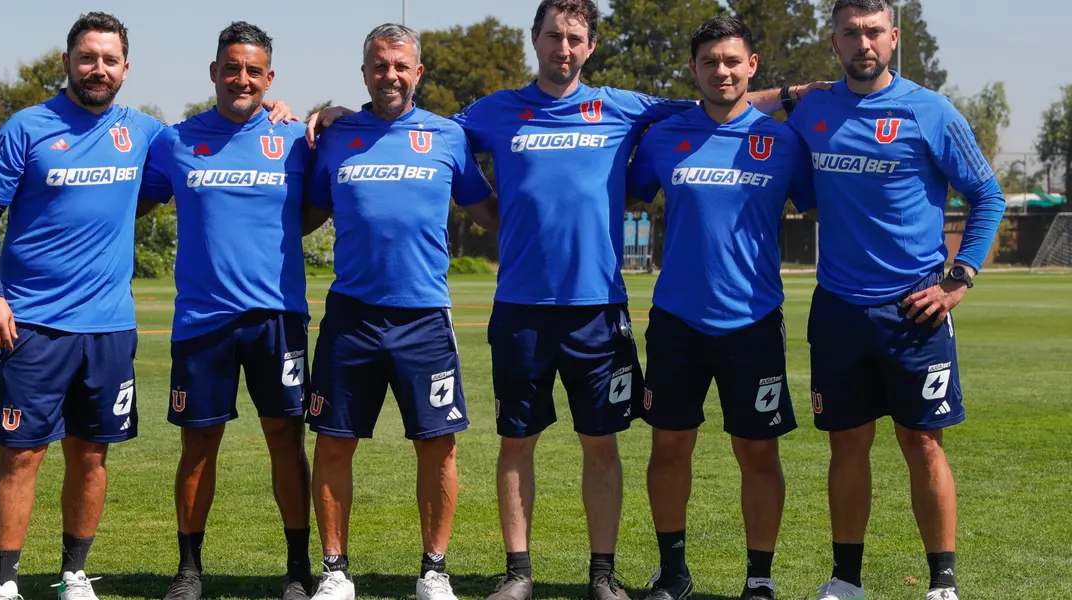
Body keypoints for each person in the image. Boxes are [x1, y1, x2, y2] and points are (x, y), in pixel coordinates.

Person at [306, 4, 823, 598]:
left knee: (600, 444)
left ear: (590, 46)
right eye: (553, 35)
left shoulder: (626, 107)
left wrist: (788, 94)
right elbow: (418, 128)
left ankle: (602, 574)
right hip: (521, 308)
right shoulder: (494, 111)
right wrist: (341, 115)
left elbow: (719, 103)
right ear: (536, 40)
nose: (563, 47)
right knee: (515, 442)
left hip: (598, 307)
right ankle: (517, 573)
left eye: (575, 37)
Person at [784, 2, 1006, 599]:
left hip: (915, 309)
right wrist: (788, 90)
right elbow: (743, 111)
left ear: (894, 37)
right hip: (838, 309)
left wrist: (958, 279)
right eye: (851, 33)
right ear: (834, 41)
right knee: (846, 446)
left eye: (874, 32)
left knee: (923, 444)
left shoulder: (929, 110)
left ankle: (942, 584)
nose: (864, 43)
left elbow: (988, 193)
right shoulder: (814, 109)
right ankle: (845, 582)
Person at [0, 12, 163, 600]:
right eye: (87, 57)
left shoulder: (147, 131)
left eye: (109, 59)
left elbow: (211, 140)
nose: (97, 69)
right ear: (67, 62)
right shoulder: (27, 128)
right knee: (21, 454)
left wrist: (294, 112)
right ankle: (4, 584)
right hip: (33, 325)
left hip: (109, 329)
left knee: (92, 454)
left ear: (125, 68)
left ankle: (74, 574)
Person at [302, 22, 497, 600]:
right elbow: (304, 213)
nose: (390, 74)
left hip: (425, 320)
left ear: (418, 73)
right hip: (351, 318)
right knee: (334, 441)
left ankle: (433, 570)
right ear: (364, 72)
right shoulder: (335, 135)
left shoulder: (446, 137)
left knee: (438, 445)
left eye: (401, 65)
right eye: (380, 65)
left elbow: (487, 211)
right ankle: (335, 571)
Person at [625, 16, 816, 600]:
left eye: (732, 60)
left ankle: (759, 578)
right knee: (669, 445)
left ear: (751, 65)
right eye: (710, 61)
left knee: (758, 451)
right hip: (677, 321)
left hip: (753, 322)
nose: (722, 70)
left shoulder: (784, 141)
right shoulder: (664, 136)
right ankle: (673, 572)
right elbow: (628, 194)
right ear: (694, 70)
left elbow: (822, 208)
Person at [136, 21, 316, 600]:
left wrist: (327, 112)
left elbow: (319, 203)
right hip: (202, 321)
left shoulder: (295, 137)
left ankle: (297, 570)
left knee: (286, 440)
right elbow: (121, 199)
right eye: (232, 68)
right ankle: (189, 570)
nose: (243, 79)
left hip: (277, 317)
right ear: (214, 72)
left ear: (269, 78)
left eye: (254, 71)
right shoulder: (175, 141)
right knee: (197, 445)